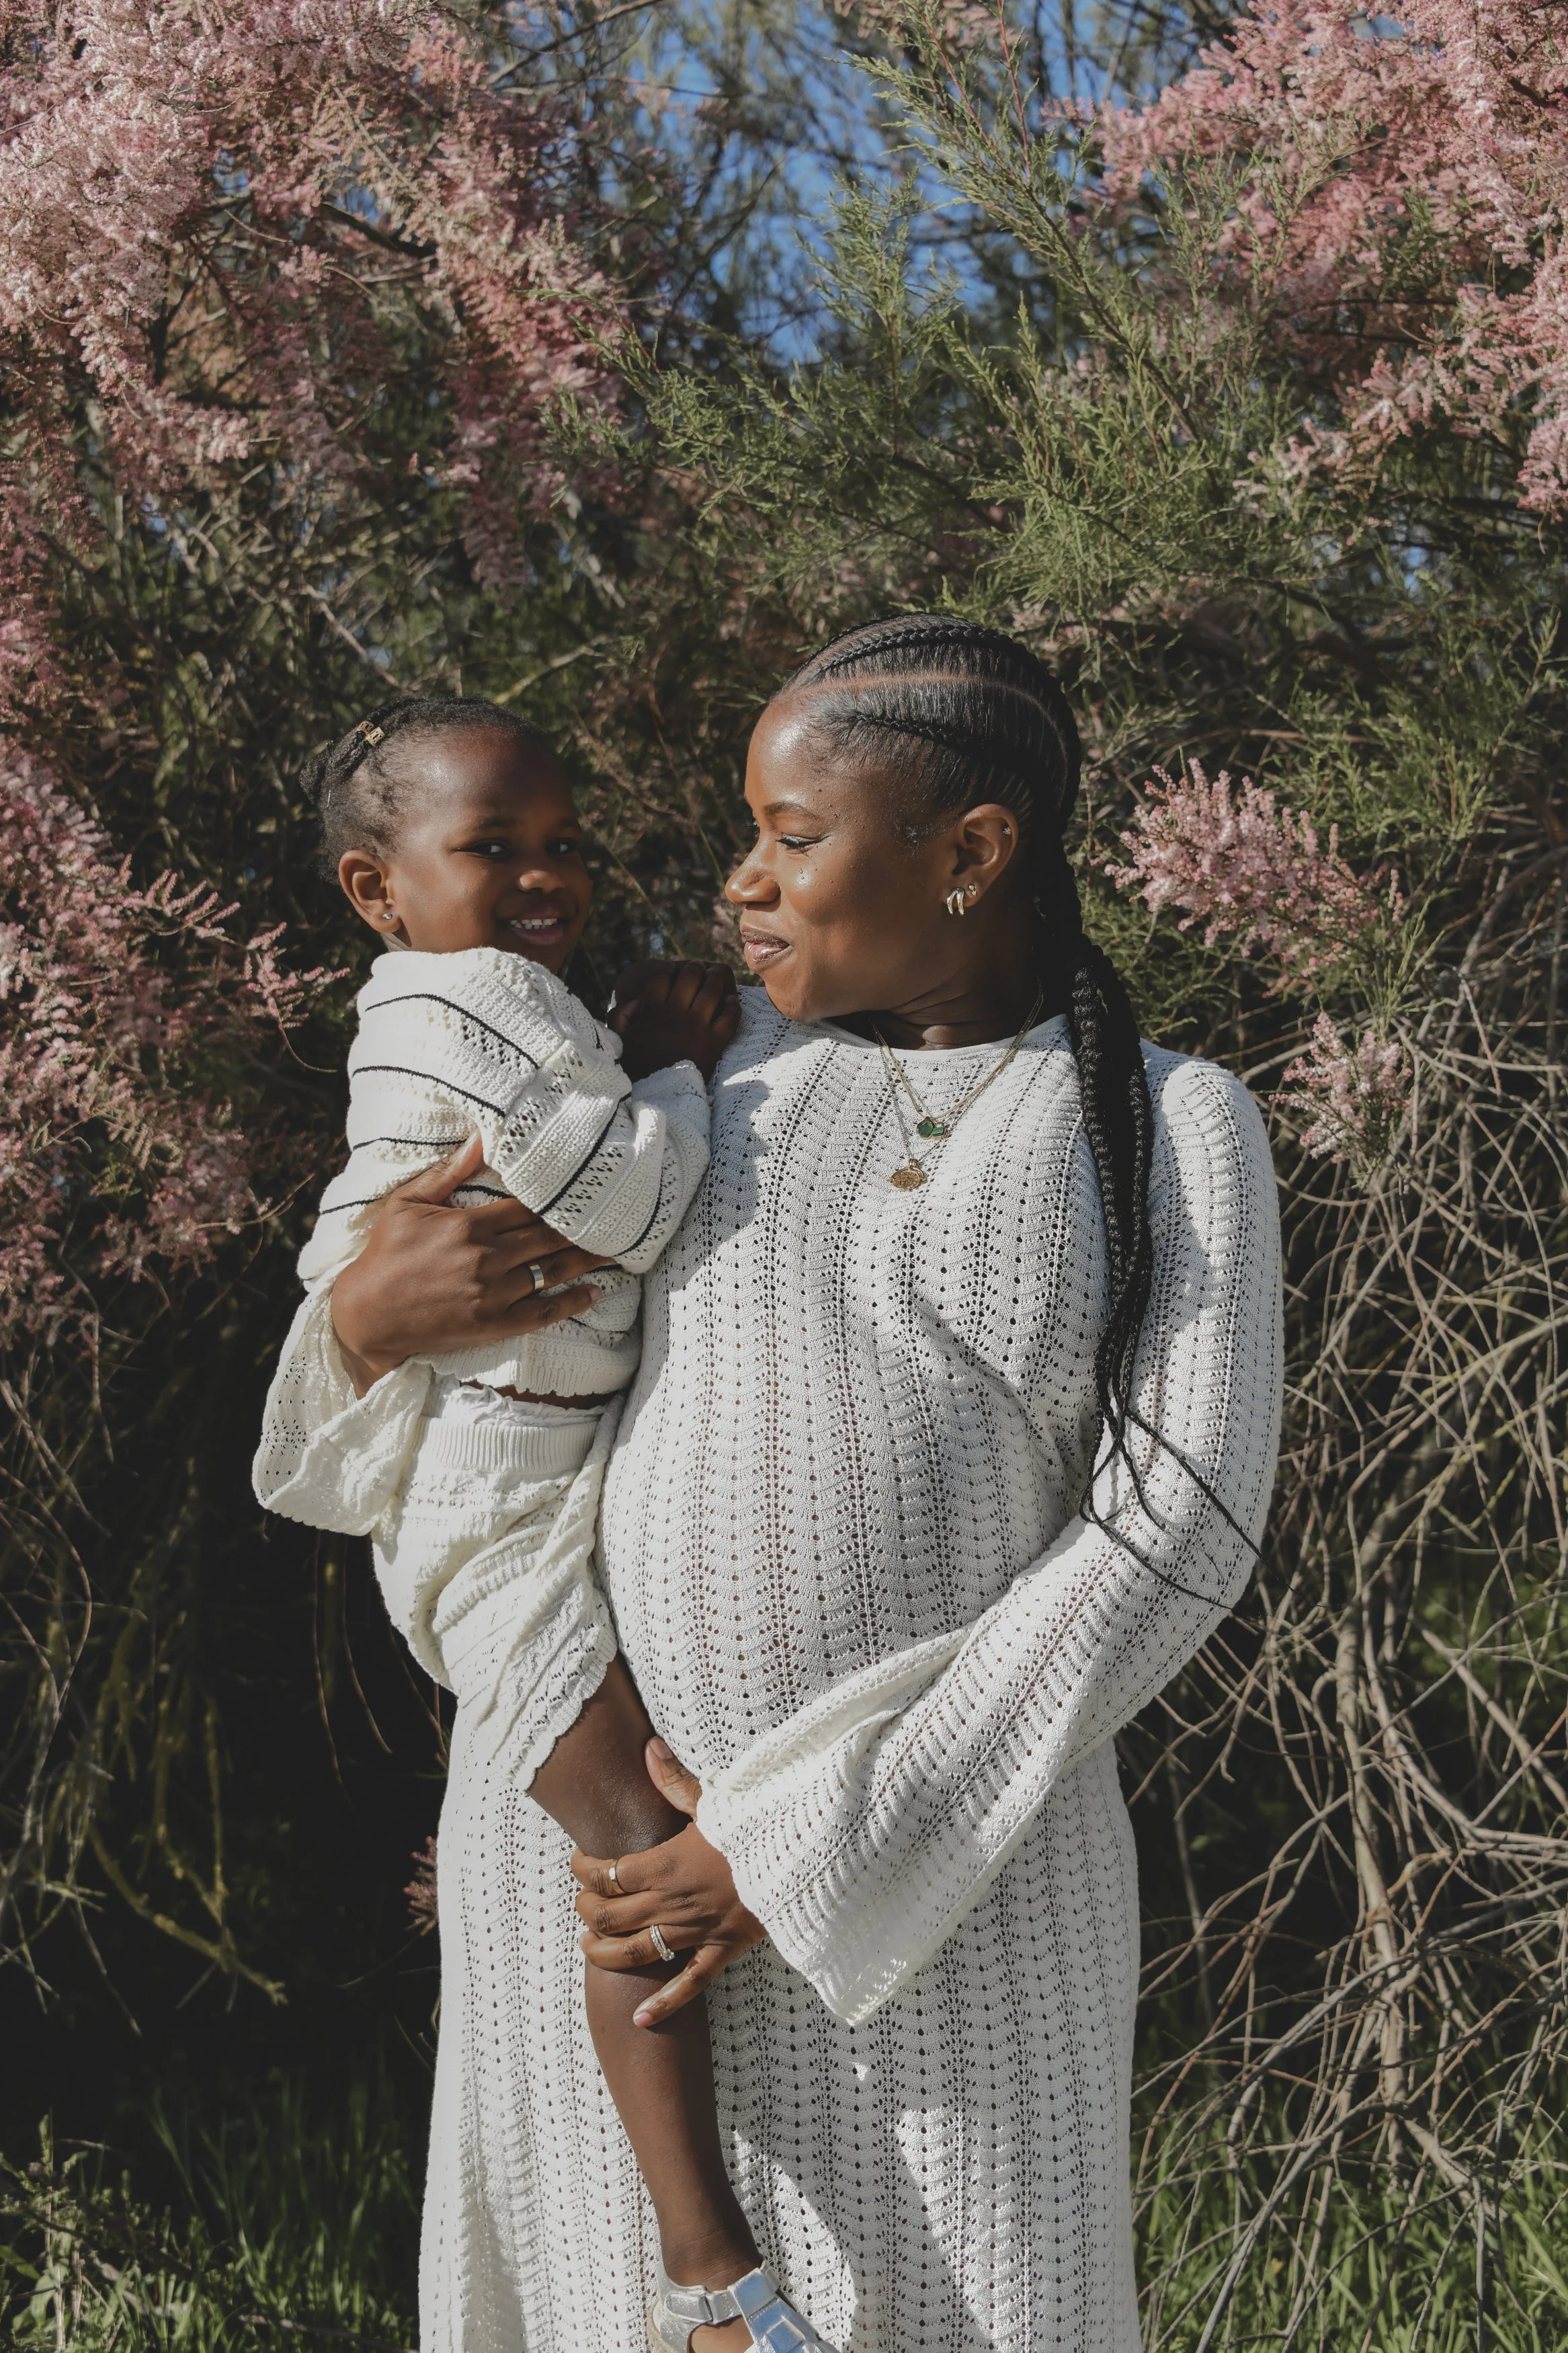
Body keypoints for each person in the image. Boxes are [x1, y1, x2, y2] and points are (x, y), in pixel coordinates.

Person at [274, 619, 1284, 2353]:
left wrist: (784, 1847)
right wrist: (357, 1323)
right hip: (599, 1877)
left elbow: (1171, 1536)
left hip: (950, 1886)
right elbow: (451, 1396)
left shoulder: (1169, 1127)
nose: (740, 880)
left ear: (970, 854)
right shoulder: (704, 1075)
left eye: (792, 838)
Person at [252, 696, 825, 2352]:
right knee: (638, 1853)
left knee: (640, 1838)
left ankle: (708, 2263)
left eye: (562, 843)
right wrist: (670, 1066)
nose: (541, 877)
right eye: (490, 848)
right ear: (377, 890)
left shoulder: (512, 1004)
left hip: (534, 1468)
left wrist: (630, 1057)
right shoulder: (450, 1011)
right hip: (489, 1497)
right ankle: (712, 2274)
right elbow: (629, 1204)